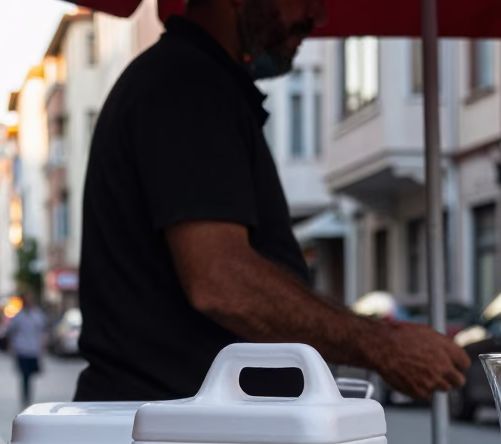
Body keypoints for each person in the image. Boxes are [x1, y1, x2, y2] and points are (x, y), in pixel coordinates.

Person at [75, 0, 468, 404]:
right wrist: (380, 344)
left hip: (182, 426)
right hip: (170, 430)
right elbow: (221, 280)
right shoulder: (186, 82)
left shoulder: (196, 79)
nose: (318, 17)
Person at [6, 291, 47, 407]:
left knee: (31, 376)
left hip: (33, 350)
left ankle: (28, 396)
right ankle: (25, 398)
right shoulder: (18, 316)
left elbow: (43, 331)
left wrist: (43, 346)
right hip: (22, 350)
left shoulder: (38, 315)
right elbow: (12, 331)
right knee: (24, 376)